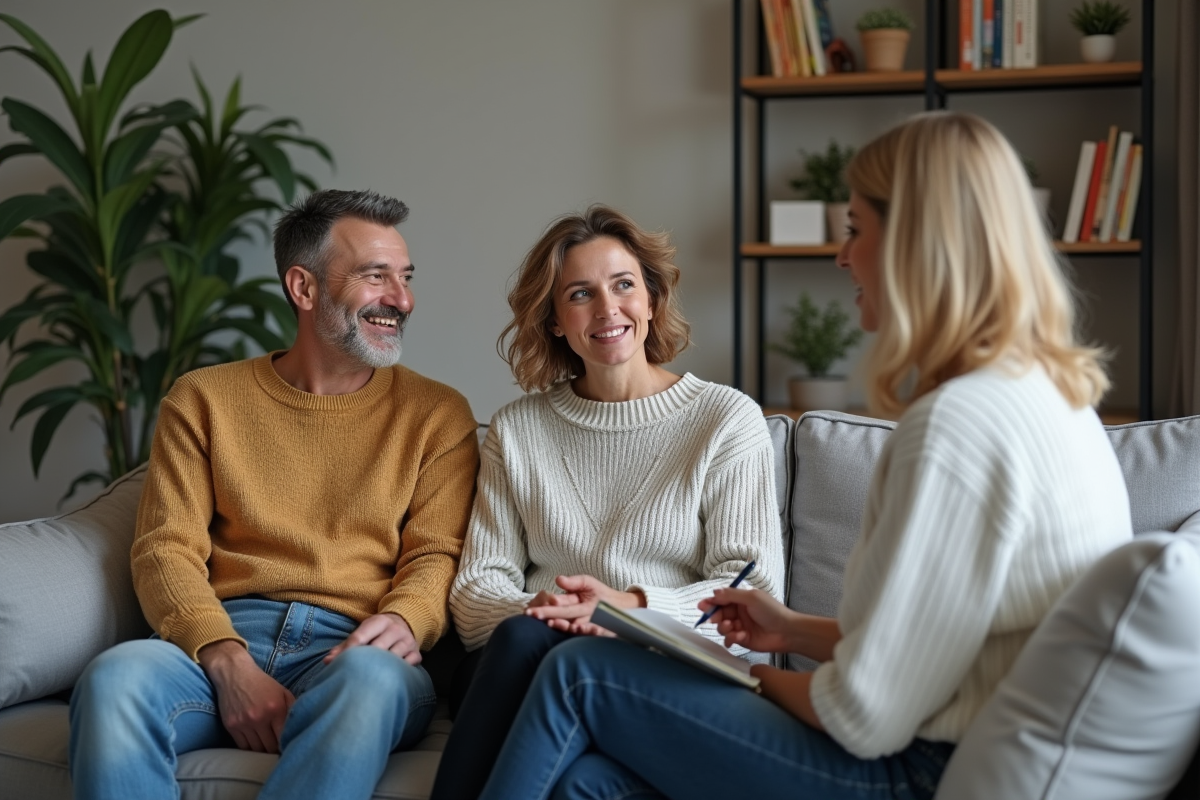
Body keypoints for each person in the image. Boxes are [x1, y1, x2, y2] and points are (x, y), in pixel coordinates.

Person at [474, 112, 1135, 800]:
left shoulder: (958, 427)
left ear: (915, 239)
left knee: (580, 672)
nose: (842, 256)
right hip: (939, 747)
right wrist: (792, 630)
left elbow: (863, 715)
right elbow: (939, 641)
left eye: (855, 229)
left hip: (915, 773)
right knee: (588, 783)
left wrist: (731, 671)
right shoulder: (1047, 395)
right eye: (580, 294)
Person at [67, 189, 480, 800]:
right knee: (113, 680)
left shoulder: (437, 414)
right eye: (376, 276)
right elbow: (164, 549)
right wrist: (226, 660)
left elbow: (438, 553)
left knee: (368, 681)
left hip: (356, 651)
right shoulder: (203, 398)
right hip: (225, 634)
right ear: (304, 289)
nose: (402, 299)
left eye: (405, 277)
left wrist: (403, 618)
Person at [429, 204, 786, 800]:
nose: (607, 309)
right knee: (523, 639)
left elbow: (753, 592)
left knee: (530, 654)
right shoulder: (518, 431)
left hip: (669, 664)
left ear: (651, 299)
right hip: (533, 655)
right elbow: (474, 595)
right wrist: (545, 611)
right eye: (579, 294)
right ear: (554, 322)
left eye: (623, 285)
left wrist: (625, 608)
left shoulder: (724, 420)